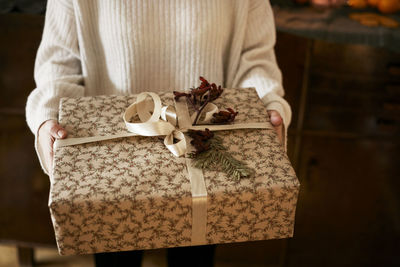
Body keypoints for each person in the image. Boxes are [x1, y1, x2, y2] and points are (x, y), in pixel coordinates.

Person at [26, 0, 292, 266]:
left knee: (194, 258)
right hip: (110, 170)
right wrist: (47, 117)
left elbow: (255, 59)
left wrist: (267, 104)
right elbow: (58, 63)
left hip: (207, 160)